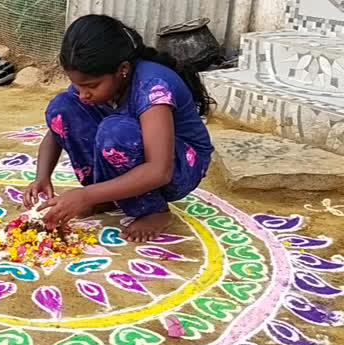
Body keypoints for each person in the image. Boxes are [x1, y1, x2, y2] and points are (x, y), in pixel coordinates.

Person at [22, 14, 214, 242]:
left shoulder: (152, 88)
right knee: (62, 107)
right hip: (136, 145)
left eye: (91, 86)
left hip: (180, 166)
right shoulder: (99, 85)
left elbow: (159, 170)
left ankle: (153, 210)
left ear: (122, 69)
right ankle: (106, 195)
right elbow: (57, 127)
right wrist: (42, 176)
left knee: (115, 133)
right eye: (77, 84)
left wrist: (85, 195)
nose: (84, 93)